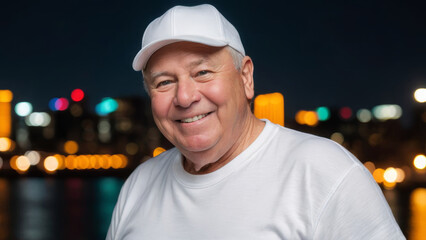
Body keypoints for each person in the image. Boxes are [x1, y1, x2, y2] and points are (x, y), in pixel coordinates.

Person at [106, 4, 405, 239]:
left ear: (246, 77)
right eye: (164, 82)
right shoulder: (139, 185)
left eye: (203, 73)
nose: (184, 97)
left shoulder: (326, 173)